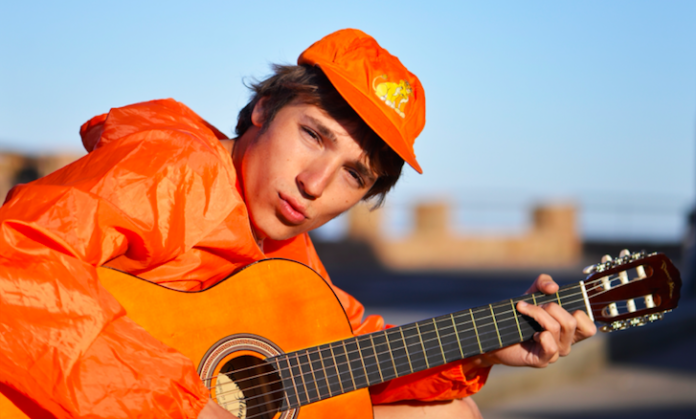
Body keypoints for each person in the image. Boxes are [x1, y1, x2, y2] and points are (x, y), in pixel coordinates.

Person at [0, 29, 596, 419]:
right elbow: (14, 270)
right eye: (313, 135)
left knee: (449, 413)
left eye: (353, 176)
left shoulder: (288, 254)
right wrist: (181, 404)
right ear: (263, 109)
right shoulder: (172, 171)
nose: (315, 183)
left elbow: (350, 352)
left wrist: (483, 350)